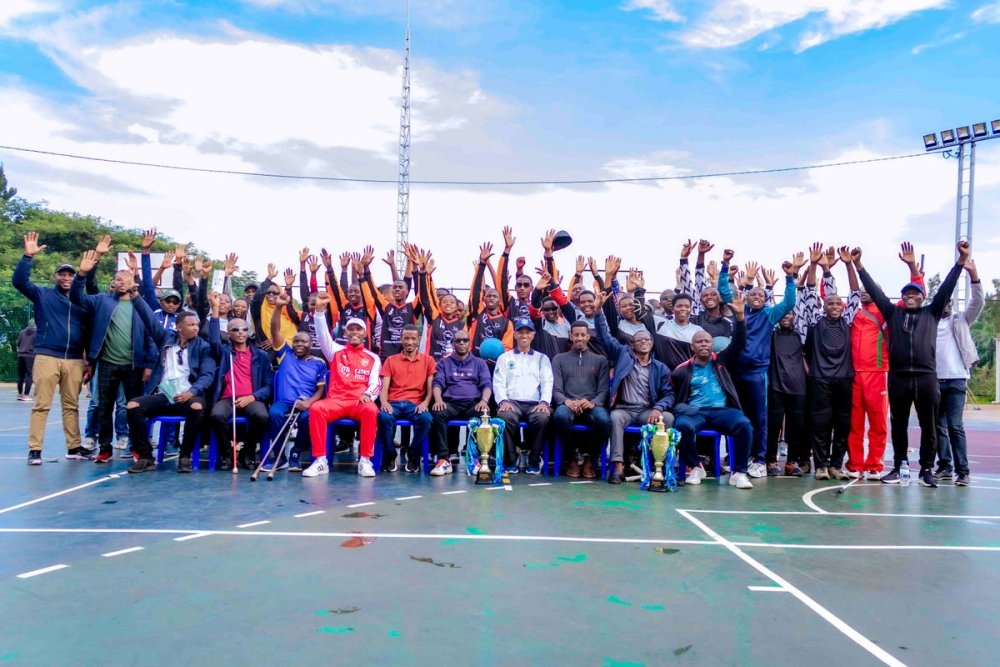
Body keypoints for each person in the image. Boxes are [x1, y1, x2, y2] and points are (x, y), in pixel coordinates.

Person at [853, 241, 971, 488]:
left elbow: (947, 287)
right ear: (902, 297)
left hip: (927, 377)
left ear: (922, 297)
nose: (910, 296)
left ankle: (927, 469)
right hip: (898, 378)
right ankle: (899, 466)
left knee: (929, 426)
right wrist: (858, 265)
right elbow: (874, 291)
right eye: (906, 293)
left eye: (915, 293)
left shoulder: (932, 312)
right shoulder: (893, 313)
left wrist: (960, 262)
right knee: (898, 425)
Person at [13, 232, 96, 464]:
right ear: (55, 276)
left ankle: (73, 447)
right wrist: (27, 257)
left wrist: (88, 359)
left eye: (71, 273)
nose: (67, 277)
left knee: (71, 405)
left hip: (74, 360)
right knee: (42, 405)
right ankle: (35, 450)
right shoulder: (43, 294)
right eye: (63, 273)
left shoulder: (82, 301)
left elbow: (89, 332)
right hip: (47, 355)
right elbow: (19, 282)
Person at [70, 249, 158, 464]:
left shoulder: (140, 305)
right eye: (117, 279)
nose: (119, 283)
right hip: (107, 363)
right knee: (104, 408)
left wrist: (147, 364)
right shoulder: (101, 301)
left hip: (133, 366)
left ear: (132, 283)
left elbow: (149, 335)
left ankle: (137, 448)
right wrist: (81, 274)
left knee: (134, 408)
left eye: (124, 279)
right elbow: (76, 297)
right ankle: (105, 448)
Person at [719, 249, 799, 478]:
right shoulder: (739, 310)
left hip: (756, 373)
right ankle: (737, 458)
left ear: (765, 300)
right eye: (752, 294)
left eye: (761, 296)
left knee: (759, 418)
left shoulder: (769, 315)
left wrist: (790, 278)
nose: (756, 297)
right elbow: (724, 291)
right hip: (735, 372)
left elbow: (790, 302)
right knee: (736, 416)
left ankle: (760, 459)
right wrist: (725, 266)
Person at [671, 292, 754, 489]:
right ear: (693, 346)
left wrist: (740, 318)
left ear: (712, 345)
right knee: (681, 426)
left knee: (744, 425)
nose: (703, 345)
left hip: (722, 411)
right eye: (699, 342)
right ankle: (695, 466)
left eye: (707, 342)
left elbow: (739, 343)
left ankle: (739, 472)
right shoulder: (682, 370)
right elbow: (674, 398)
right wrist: (685, 409)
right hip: (695, 412)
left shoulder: (722, 361)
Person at [594, 293, 675, 484]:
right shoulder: (623, 354)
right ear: (632, 344)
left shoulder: (660, 367)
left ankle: (660, 468)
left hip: (647, 410)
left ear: (652, 343)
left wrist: (658, 408)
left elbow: (669, 394)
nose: (644, 342)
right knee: (614, 418)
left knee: (669, 418)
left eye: (647, 339)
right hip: (624, 409)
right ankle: (618, 468)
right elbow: (604, 337)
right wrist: (598, 312)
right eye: (639, 340)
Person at [125, 305, 216, 473]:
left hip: (189, 394)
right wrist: (136, 295)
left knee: (197, 408)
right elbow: (150, 320)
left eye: (197, 324)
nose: (196, 328)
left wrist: (192, 392)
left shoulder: (203, 347)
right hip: (164, 395)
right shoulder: (166, 339)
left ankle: (184, 456)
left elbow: (207, 375)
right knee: (133, 406)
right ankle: (146, 456)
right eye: (191, 325)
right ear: (179, 327)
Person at [301, 293, 383, 478]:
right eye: (350, 329)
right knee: (316, 409)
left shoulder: (373, 357)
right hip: (336, 401)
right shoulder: (335, 351)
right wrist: (320, 311)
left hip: (358, 402)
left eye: (358, 329)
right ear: (345, 333)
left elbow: (376, 383)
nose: (354, 332)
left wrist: (369, 396)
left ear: (364, 333)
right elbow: (322, 336)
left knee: (371, 410)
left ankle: (365, 461)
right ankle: (321, 461)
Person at [207, 297, 273, 471]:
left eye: (244, 329)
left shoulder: (261, 355)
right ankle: (227, 453)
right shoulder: (224, 352)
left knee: (262, 416)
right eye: (235, 329)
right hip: (228, 398)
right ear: (229, 334)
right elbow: (213, 340)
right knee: (216, 415)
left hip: (251, 398)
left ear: (248, 331)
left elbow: (268, 385)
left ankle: (248, 452)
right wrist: (215, 309)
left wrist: (252, 397)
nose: (240, 332)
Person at [264, 292, 327, 472]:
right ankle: (279, 456)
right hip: (284, 402)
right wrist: (278, 307)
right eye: (296, 341)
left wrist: (308, 402)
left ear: (310, 344)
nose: (299, 344)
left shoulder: (319, 363)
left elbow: (320, 390)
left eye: (303, 342)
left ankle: (296, 453)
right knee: (274, 413)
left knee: (309, 417)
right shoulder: (284, 354)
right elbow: (275, 330)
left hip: (305, 403)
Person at [934, 258, 983, 487]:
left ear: (951, 306)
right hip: (934, 381)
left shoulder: (961, 320)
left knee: (954, 425)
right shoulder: (929, 323)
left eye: (948, 302)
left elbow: (978, 302)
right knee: (938, 426)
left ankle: (963, 471)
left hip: (956, 380)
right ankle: (945, 467)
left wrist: (974, 275)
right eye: (941, 301)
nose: (945, 304)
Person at [551, 321, 611, 479]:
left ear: (588, 336)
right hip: (568, 404)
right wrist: (566, 401)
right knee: (560, 416)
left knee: (604, 420)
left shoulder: (600, 360)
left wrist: (592, 402)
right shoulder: (559, 359)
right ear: (570, 336)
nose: (579, 338)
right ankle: (571, 458)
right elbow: (556, 389)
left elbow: (604, 389)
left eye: (582, 335)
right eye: (576, 335)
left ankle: (590, 460)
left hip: (591, 404)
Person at [493, 319, 553, 473]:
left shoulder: (542, 358)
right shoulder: (504, 358)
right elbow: (498, 382)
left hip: (535, 403)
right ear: (515, 334)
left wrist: (544, 402)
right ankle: (511, 459)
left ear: (533, 335)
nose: (524, 335)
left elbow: (547, 382)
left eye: (527, 332)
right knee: (504, 417)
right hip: (512, 402)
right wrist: (503, 401)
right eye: (520, 332)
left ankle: (534, 460)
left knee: (542, 418)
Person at [429, 331, 493, 476]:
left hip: (473, 404)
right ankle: (444, 460)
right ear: (453, 344)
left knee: (485, 415)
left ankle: (475, 459)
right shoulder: (444, 363)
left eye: (465, 340)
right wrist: (438, 400)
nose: (462, 343)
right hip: (451, 403)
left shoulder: (479, 363)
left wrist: (484, 401)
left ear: (470, 343)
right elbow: (437, 383)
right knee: (437, 413)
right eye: (458, 341)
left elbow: (486, 384)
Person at [804, 293, 854, 480]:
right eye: (829, 303)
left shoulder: (848, 321)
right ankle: (821, 466)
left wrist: (851, 265)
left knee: (842, 424)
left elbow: (855, 294)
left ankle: (836, 465)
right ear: (823, 306)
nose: (834, 306)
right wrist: (816, 267)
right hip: (820, 378)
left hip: (844, 378)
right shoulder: (817, 323)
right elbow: (808, 296)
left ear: (843, 307)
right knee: (820, 424)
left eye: (837, 303)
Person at [378, 324, 436, 473]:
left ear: (418, 340)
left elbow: (430, 388)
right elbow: (384, 387)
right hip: (394, 403)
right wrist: (384, 402)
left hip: (415, 404)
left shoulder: (428, 361)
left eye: (413, 339)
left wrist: (425, 403)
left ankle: (413, 455)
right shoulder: (391, 360)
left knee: (426, 418)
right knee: (383, 417)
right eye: (406, 338)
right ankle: (390, 456)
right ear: (401, 339)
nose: (409, 342)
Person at [767, 311, 807, 476]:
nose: (785, 316)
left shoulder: (801, 335)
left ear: (794, 317)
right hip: (776, 385)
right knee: (773, 425)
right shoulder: (771, 334)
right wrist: (768, 287)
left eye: (789, 313)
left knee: (796, 427)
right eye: (782, 313)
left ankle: (792, 462)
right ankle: (770, 460)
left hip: (798, 386)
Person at [16, 319, 36, 401]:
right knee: (30, 375)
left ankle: (20, 394)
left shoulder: (22, 332)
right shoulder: (37, 332)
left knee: (21, 375)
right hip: (30, 355)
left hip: (21, 355)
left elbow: (18, 343)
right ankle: (27, 395)